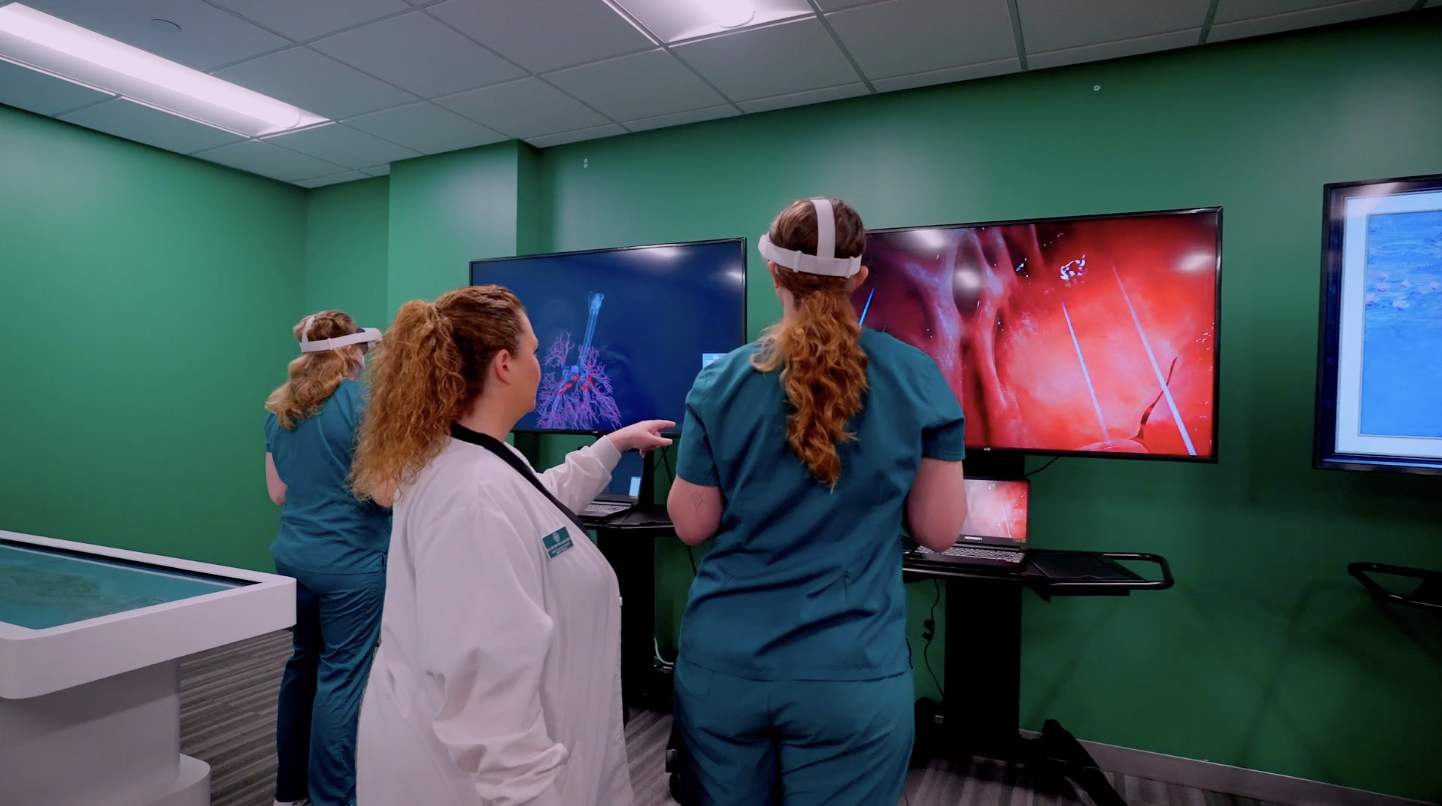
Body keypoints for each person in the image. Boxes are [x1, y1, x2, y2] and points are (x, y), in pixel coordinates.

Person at [666, 198, 971, 806]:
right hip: (851, 675)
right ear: (859, 276)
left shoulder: (720, 380)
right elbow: (939, 531)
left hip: (725, 671)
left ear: (775, 276)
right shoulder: (918, 377)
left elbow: (693, 524)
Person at [349, 285, 671, 806]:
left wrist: (612, 445)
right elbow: (490, 713)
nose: (542, 365)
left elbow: (537, 503)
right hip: (469, 783)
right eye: (535, 351)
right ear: (504, 364)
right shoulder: (471, 499)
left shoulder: (474, 457)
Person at [263, 310, 390, 806]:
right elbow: (384, 494)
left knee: (302, 667)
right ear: (355, 350)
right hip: (350, 567)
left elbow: (278, 492)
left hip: (293, 561)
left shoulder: (280, 406)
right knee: (341, 680)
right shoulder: (366, 404)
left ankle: (289, 793)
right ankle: (332, 801)